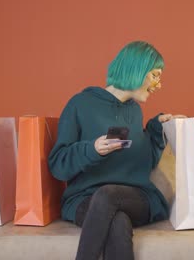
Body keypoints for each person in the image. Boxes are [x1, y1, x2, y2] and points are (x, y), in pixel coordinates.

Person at [48, 41, 184, 260]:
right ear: (137, 70)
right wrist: (92, 149)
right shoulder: (80, 104)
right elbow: (58, 165)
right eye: (155, 75)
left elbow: (143, 163)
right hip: (85, 198)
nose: (159, 85)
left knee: (108, 195)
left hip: (135, 197)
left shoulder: (134, 111)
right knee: (117, 220)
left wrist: (157, 128)